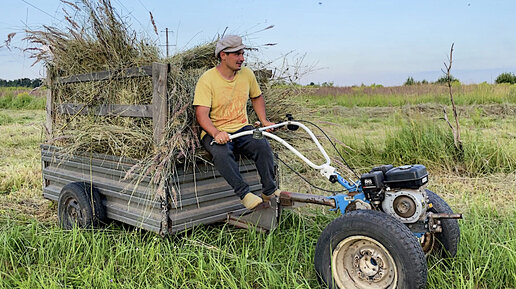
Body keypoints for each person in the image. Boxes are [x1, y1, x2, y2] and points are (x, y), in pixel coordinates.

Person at [193, 35, 280, 210]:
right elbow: (201, 114)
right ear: (223, 55)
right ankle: (244, 194)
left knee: (261, 144)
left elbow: (257, 96)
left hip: (243, 128)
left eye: (242, 53)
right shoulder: (207, 79)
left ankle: (269, 191)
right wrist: (216, 133)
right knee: (222, 153)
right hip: (216, 131)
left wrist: (263, 120)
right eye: (236, 54)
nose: (242, 58)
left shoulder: (247, 74)